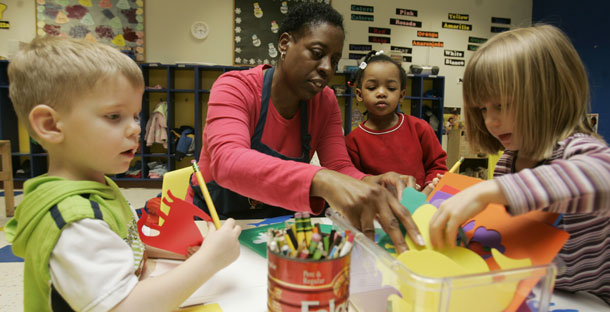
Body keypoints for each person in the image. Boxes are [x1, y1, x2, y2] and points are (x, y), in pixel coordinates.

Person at [4, 36, 242, 311]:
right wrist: (209, 261)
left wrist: (180, 254)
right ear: (51, 125)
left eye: (135, 116)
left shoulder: (95, 186)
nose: (135, 129)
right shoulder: (75, 221)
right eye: (114, 116)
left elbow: (122, 245)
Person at [186, 2, 424, 252]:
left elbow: (340, 167)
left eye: (334, 60)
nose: (327, 68)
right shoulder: (234, 88)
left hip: (276, 226)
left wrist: (369, 182)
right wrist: (321, 179)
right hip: (215, 224)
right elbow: (228, 162)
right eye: (317, 52)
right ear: (285, 44)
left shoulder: (326, 102)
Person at [429, 25, 610, 305]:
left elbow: (602, 176)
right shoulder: (508, 161)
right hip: (528, 290)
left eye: (501, 105)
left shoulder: (578, 149)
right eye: (483, 109)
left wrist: (486, 191)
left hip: (589, 299)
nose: (490, 121)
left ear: (548, 95)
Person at [345, 51, 448, 196]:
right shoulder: (353, 141)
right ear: (359, 94)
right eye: (372, 87)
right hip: (378, 211)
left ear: (401, 95)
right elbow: (355, 181)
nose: (381, 93)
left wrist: (426, 192)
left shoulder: (420, 129)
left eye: (391, 88)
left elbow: (437, 167)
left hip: (421, 207)